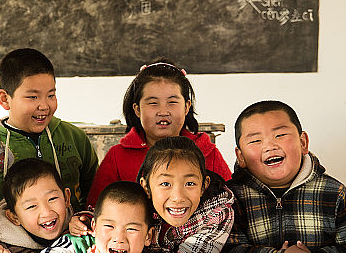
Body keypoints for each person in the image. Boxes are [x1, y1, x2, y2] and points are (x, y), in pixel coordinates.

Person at [221, 100, 346, 253]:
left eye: (280, 135)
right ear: (240, 156)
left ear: (303, 142)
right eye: (256, 140)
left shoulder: (333, 193)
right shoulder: (229, 199)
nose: (270, 146)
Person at [75, 60, 231, 236]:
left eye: (172, 102)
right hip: (132, 251)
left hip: (198, 248)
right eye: (153, 103)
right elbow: (96, 208)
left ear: (187, 107)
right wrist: (84, 220)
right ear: (137, 109)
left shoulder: (207, 152)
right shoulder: (118, 156)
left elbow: (231, 202)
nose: (163, 111)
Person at [0, 48, 97, 226]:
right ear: (5, 99)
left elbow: (95, 190)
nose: (44, 106)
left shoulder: (74, 137)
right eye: (32, 97)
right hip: (5, 248)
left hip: (69, 242)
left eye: (51, 95)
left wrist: (85, 220)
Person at [100, 136, 234, 253]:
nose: (177, 197)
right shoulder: (140, 203)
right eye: (165, 183)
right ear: (146, 187)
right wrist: (84, 220)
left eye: (190, 183)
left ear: (203, 185)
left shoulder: (217, 213)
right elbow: (110, 215)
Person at [28, 181, 154, 253]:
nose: (119, 238)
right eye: (109, 226)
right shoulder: (78, 243)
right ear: (94, 227)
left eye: (131, 229)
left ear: (148, 236)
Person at [0, 159, 72, 253]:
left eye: (52, 199)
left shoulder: (77, 227)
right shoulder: (0, 244)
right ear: (14, 217)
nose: (46, 212)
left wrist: (85, 219)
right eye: (32, 206)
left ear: (66, 198)